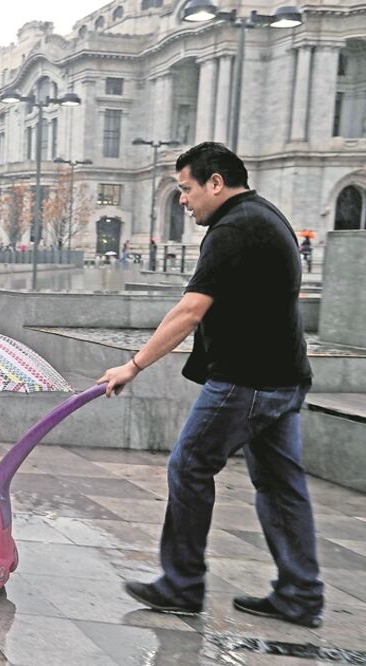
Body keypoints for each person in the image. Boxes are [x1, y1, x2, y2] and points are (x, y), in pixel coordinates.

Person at [99, 142, 321, 627]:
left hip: (248, 381)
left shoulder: (233, 229)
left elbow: (190, 310)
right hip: (283, 378)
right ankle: (300, 593)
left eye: (186, 188)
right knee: (282, 486)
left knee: (190, 465)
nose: (182, 199)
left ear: (215, 183)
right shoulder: (266, 216)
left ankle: (181, 584)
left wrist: (132, 366)